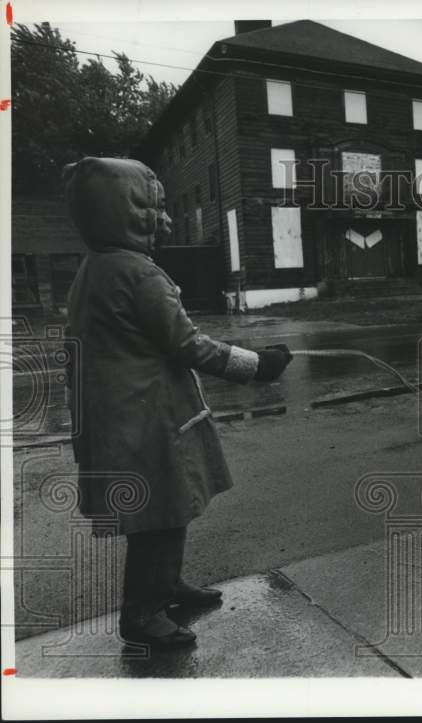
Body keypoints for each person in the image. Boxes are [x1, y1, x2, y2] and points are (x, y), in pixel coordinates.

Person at [63, 157, 294, 648]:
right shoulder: (139, 274)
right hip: (145, 417)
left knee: (167, 506)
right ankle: (141, 614)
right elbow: (188, 344)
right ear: (129, 213)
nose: (167, 220)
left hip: (121, 414)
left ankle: (167, 585)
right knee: (155, 516)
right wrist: (258, 365)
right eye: (157, 208)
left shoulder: (96, 268)